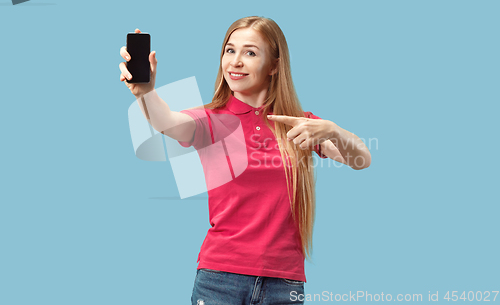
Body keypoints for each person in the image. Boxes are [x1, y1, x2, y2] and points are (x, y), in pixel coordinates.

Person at [119, 16, 371, 304]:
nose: (235, 62)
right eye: (230, 50)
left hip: (284, 280)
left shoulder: (300, 123)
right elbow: (166, 122)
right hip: (219, 278)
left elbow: (361, 159)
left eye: (250, 52)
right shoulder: (210, 121)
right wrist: (147, 93)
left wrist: (334, 130)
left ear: (274, 65)